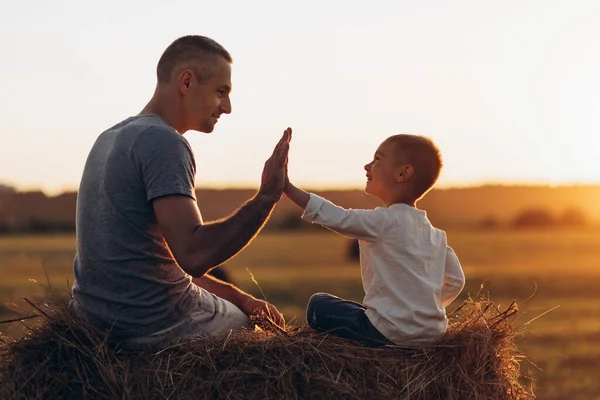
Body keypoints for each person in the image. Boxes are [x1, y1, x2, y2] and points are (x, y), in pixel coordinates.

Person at [70, 35, 291, 350]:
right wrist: (266, 197)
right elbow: (194, 255)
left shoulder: (108, 138)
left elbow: (159, 261)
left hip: (93, 322)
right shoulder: (164, 142)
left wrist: (240, 296)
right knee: (245, 329)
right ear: (186, 81)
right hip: (152, 324)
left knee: (240, 308)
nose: (227, 107)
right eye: (221, 92)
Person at [285, 134, 465, 347]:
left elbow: (338, 217)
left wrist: (287, 188)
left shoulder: (383, 221)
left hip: (388, 334)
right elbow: (456, 280)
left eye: (377, 159)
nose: (367, 166)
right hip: (431, 335)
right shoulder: (436, 235)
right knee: (360, 310)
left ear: (403, 173)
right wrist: (422, 309)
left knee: (318, 304)